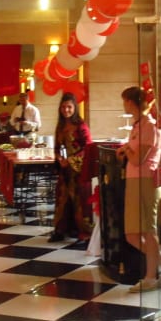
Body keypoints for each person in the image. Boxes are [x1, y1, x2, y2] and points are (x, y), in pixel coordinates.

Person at [115, 85, 161, 292]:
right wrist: (126, 149)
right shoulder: (138, 126)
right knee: (132, 234)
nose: (124, 104)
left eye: (125, 101)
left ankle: (151, 276)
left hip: (145, 181)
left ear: (131, 102)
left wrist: (126, 150)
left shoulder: (149, 127)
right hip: (135, 180)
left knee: (148, 230)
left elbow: (137, 159)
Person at [49, 92, 92, 244]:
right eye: (63, 107)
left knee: (79, 201)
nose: (66, 110)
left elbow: (88, 147)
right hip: (64, 170)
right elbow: (57, 146)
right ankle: (61, 230)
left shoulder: (81, 126)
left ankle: (84, 233)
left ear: (74, 108)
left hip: (78, 171)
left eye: (69, 107)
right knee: (62, 199)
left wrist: (71, 160)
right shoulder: (60, 126)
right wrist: (59, 158)